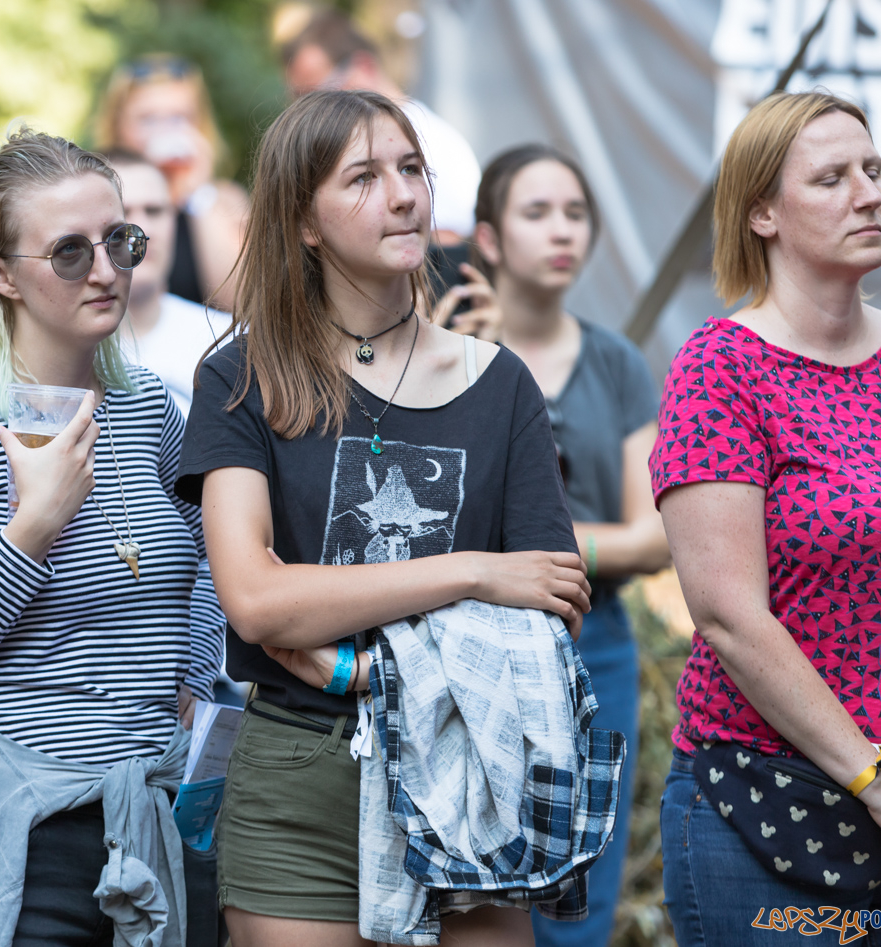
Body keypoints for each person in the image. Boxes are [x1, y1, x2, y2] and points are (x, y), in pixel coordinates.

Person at [177, 90, 593, 947]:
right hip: (298, 775)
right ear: (305, 222)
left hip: (470, 760)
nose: (403, 195)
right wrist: (471, 571)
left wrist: (353, 657)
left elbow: (550, 607)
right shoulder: (241, 377)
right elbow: (254, 600)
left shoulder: (500, 380)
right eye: (363, 177)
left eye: (411, 170)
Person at [0, 129, 225, 946]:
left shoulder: (147, 408)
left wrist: (194, 682)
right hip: (23, 836)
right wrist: (30, 529)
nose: (106, 271)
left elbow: (207, 557)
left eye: (121, 241)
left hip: (159, 812)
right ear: (1, 274)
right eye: (69, 253)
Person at [652, 91, 881, 942]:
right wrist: (880, 787)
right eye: (831, 178)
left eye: (872, 170)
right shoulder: (721, 370)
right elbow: (729, 616)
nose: (869, 193)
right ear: (762, 213)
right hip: (767, 814)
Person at [471, 145, 670, 946]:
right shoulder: (450, 353)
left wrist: (539, 554)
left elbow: (654, 535)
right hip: (476, 639)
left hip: (597, 641)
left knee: (577, 891)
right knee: (476, 890)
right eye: (537, 212)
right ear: (487, 239)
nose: (564, 230)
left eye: (577, 213)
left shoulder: (617, 361)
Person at [281, 9, 498, 339]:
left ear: (364, 67)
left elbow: (447, 248)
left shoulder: (427, 137)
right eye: (299, 99)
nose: (404, 197)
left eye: (411, 170)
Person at [92, 55, 249, 310]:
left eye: (179, 118)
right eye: (148, 119)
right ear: (118, 126)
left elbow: (243, 302)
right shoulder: (95, 199)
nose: (165, 131)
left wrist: (198, 193)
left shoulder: (223, 201)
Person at [103, 150, 230, 415]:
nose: (142, 230)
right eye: (123, 212)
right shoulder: (64, 352)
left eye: (155, 210)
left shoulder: (228, 342)